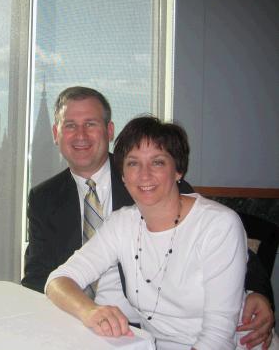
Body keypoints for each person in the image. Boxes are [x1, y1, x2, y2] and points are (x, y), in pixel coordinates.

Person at [21, 87, 274, 348]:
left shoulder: (171, 195)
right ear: (56, 134)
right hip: (94, 328)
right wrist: (79, 314)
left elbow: (233, 251)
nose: (144, 175)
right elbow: (42, 277)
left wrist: (256, 294)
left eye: (91, 123)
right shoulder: (48, 198)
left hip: (148, 332)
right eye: (71, 125)